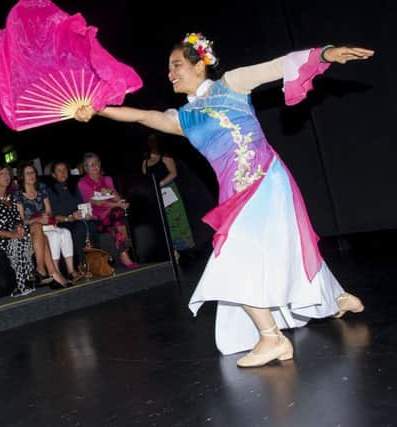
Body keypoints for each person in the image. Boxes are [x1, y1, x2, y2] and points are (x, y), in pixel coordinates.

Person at [74, 34, 373, 367]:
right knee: (279, 248)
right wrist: (99, 110)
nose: (170, 74)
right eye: (169, 69)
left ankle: (272, 338)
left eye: (176, 65)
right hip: (238, 193)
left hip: (263, 179)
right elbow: (143, 116)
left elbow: (276, 66)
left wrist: (327, 53)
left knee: (233, 256)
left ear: (199, 63)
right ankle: (337, 299)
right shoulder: (184, 117)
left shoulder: (231, 84)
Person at [13, 162, 72, 286]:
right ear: (22, 176)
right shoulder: (18, 195)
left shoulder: (41, 190)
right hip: (32, 228)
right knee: (53, 236)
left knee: (66, 232)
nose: (31, 175)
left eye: (33, 172)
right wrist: (37, 219)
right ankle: (55, 273)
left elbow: (49, 211)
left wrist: (46, 216)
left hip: (47, 225)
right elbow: (22, 220)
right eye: (28, 173)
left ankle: (71, 271)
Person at [0, 163, 36, 297]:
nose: (6, 177)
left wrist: (19, 228)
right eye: (1, 174)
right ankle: (20, 285)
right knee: (17, 243)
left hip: (13, 233)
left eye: (7, 173)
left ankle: (31, 278)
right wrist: (13, 235)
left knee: (29, 236)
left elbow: (18, 219)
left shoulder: (11, 198)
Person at [77, 153, 138, 269]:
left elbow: (119, 199)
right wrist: (117, 204)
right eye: (92, 165)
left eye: (97, 163)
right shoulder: (83, 183)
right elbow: (98, 203)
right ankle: (125, 253)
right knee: (118, 212)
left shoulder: (107, 179)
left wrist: (110, 192)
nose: (96, 167)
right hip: (97, 217)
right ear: (86, 169)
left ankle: (124, 254)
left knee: (117, 214)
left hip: (113, 216)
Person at [142, 134, 195, 255]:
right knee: (160, 221)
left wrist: (160, 183)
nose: (152, 144)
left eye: (154, 141)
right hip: (154, 194)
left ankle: (182, 248)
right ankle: (169, 250)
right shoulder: (145, 163)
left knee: (175, 220)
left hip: (168, 191)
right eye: (150, 142)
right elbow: (144, 179)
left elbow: (173, 173)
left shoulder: (166, 157)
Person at [47, 161, 99, 271]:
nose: (62, 173)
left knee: (92, 225)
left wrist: (86, 214)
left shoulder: (74, 187)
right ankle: (82, 265)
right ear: (53, 175)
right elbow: (54, 216)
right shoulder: (50, 191)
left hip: (78, 219)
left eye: (65, 170)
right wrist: (70, 218)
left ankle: (97, 262)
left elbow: (82, 205)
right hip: (64, 221)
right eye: (59, 171)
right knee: (79, 228)